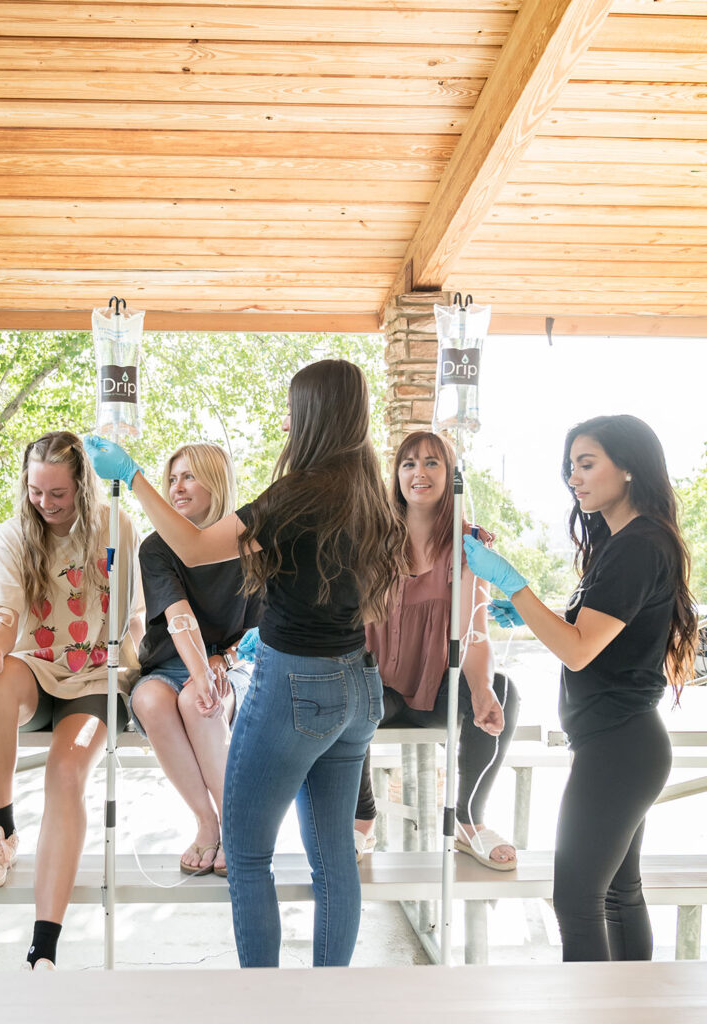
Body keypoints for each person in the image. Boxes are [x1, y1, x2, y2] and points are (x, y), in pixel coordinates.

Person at [84, 358, 404, 968]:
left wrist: (134, 475)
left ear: (313, 415)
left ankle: (261, 1000)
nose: (286, 419)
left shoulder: (298, 493)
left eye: (293, 408)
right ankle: (327, 996)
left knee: (250, 853)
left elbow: (196, 547)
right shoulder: (368, 493)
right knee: (333, 856)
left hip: (297, 685)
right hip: (359, 686)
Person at [465, 414, 698, 961]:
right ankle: (631, 1013)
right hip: (623, 744)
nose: (574, 477)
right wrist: (523, 611)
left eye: (587, 464)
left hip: (619, 746)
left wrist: (514, 583)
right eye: (571, 466)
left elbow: (576, 649)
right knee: (619, 896)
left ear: (630, 468)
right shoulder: (628, 543)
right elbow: (588, 637)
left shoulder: (637, 546)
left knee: (575, 899)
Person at [0, 430, 142, 971]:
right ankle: (1, 827)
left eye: (57, 494)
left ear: (83, 486)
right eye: (36, 492)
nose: (45, 504)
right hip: (38, 671)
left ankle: (44, 947)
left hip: (96, 675)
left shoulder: (116, 526)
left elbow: (133, 611)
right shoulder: (13, 536)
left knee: (65, 774)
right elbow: (2, 611)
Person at [353, 431, 519, 869]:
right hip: (379, 689)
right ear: (396, 476)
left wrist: (482, 690)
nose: (418, 472)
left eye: (432, 463)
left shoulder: (467, 546)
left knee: (504, 688)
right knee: (352, 697)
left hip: (438, 687)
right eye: (408, 463)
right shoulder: (370, 538)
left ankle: (468, 821)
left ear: (451, 475)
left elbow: (476, 633)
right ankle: (361, 818)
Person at [131, 443, 261, 877]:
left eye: (188, 476)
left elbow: (254, 634)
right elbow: (177, 616)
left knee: (196, 703)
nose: (176, 487)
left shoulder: (250, 544)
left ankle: (237, 829)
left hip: (233, 663)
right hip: (172, 663)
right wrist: (198, 670)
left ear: (215, 481)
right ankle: (207, 824)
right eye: (171, 478)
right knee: (151, 701)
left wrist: (216, 666)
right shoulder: (157, 547)